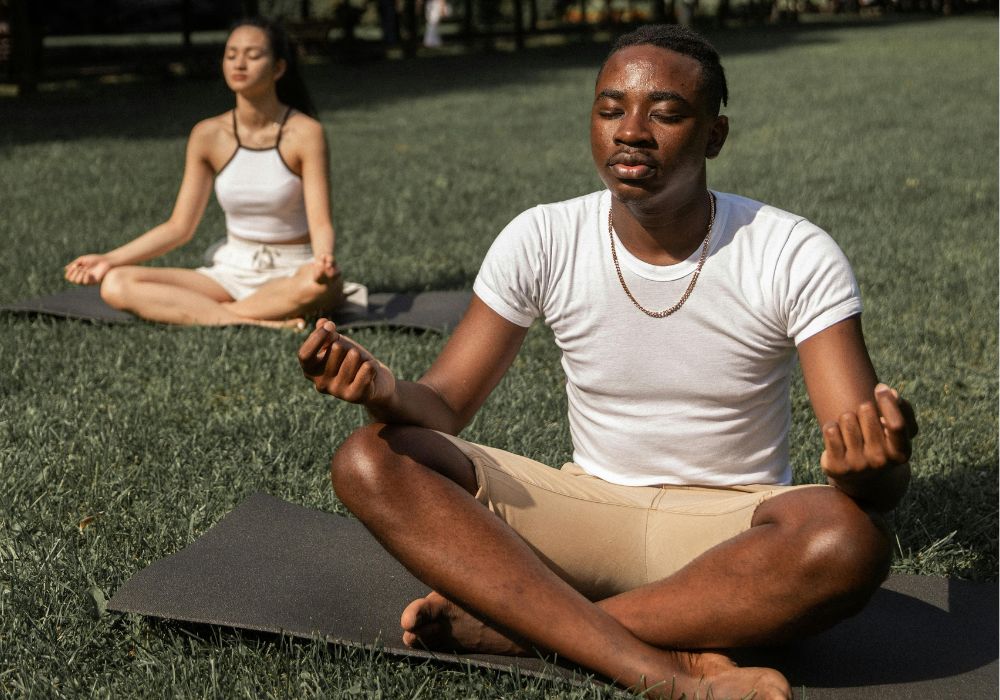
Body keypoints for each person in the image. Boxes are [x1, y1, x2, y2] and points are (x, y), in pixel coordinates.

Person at [298, 25, 918, 699]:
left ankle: (521, 628)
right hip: (584, 512)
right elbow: (444, 408)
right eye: (610, 107)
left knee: (848, 539)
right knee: (370, 457)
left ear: (714, 136)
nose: (631, 130)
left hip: (731, 530)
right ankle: (668, 671)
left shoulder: (792, 250)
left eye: (666, 112)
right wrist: (384, 389)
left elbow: (865, 467)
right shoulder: (544, 235)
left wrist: (878, 473)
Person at [64, 17, 346, 328]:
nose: (239, 63)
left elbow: (320, 221)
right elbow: (179, 227)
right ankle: (258, 319)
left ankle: (216, 314)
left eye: (253, 55)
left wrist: (323, 260)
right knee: (116, 283)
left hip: (293, 271)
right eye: (231, 54)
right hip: (230, 272)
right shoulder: (208, 135)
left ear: (278, 68)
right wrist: (109, 260)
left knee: (319, 287)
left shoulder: (306, 133)